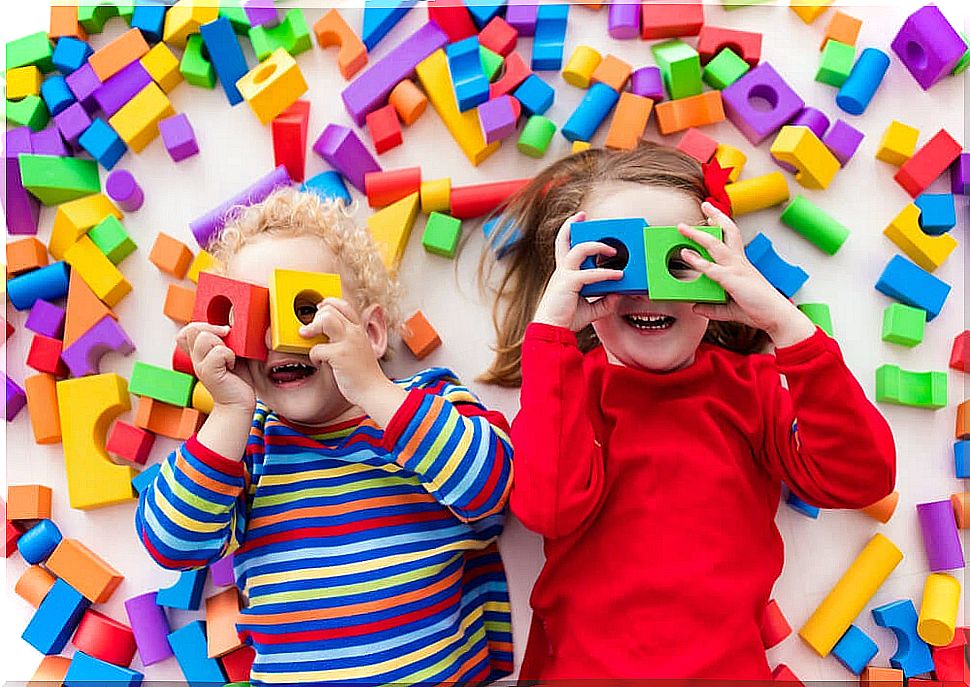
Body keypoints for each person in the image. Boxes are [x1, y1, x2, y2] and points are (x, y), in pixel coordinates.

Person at [480, 142, 895, 679]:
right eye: (613, 262)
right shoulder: (564, 389)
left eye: (678, 262)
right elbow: (549, 510)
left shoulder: (752, 390)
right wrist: (552, 336)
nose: (648, 290)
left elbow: (862, 478)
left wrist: (785, 325)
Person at [136, 188, 514, 685]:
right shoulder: (246, 449)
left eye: (305, 310)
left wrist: (376, 391)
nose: (277, 339)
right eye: (254, 319)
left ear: (373, 334)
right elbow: (171, 544)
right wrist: (228, 411)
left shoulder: (426, 403)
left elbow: (493, 489)